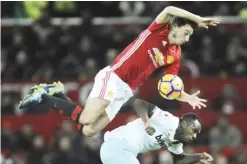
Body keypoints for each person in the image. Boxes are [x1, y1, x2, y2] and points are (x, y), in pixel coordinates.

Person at [19, 6, 220, 137]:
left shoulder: (175, 53)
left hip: (126, 91)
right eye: (186, 33)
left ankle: (58, 94)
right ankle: (46, 94)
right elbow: (168, 8)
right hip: (114, 77)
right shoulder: (157, 29)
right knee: (87, 118)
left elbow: (171, 82)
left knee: (89, 130)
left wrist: (186, 97)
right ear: (175, 26)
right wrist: (198, 18)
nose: (186, 39)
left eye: (190, 36)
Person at [100, 99, 213, 164]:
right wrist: (146, 121)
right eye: (193, 131)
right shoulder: (167, 121)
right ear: (184, 124)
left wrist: (199, 157)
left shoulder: (177, 141)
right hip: (118, 145)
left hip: (122, 153)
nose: (194, 136)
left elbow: (178, 160)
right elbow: (138, 103)